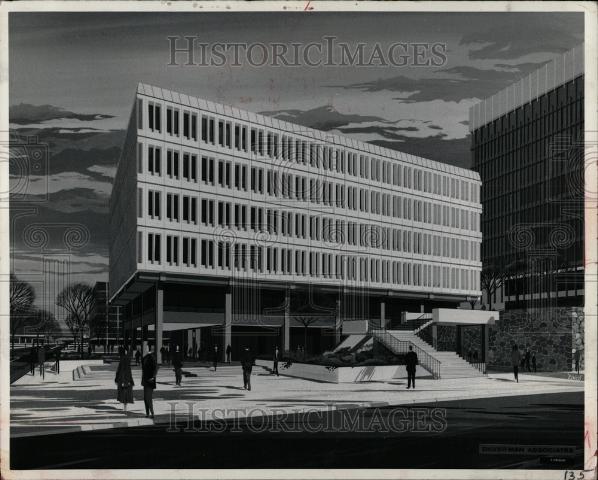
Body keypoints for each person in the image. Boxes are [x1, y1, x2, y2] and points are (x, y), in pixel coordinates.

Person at [115, 347, 134, 412]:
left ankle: (125, 407)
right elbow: (128, 371)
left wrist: (120, 380)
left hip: (124, 380)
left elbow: (121, 371)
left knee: (124, 394)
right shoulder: (126, 359)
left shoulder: (123, 359)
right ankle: (125, 407)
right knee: (126, 394)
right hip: (126, 379)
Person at [141, 345, 157, 418]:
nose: (145, 349)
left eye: (146, 347)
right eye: (145, 347)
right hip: (145, 381)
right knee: (145, 398)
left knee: (148, 398)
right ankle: (147, 413)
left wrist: (153, 377)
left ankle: (152, 413)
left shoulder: (152, 357)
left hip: (150, 381)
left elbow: (156, 368)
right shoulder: (144, 357)